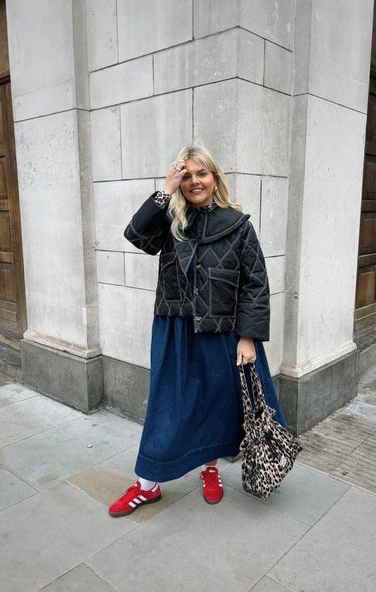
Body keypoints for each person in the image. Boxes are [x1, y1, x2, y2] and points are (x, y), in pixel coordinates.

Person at [108, 144, 287, 517]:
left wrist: (249, 337)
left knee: (219, 406)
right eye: (186, 175)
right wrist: (165, 189)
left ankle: (210, 470)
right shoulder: (172, 222)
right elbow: (135, 235)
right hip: (175, 329)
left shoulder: (239, 226)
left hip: (223, 332)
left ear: (215, 176)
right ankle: (147, 484)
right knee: (167, 407)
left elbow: (256, 284)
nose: (194, 182)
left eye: (200, 173)